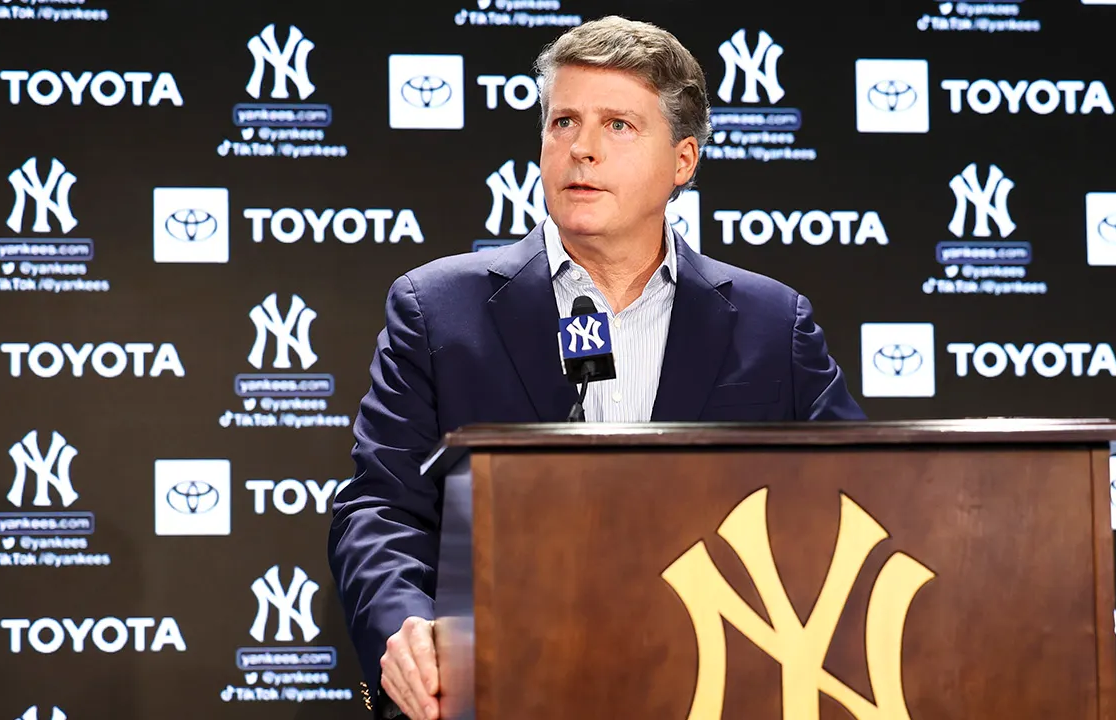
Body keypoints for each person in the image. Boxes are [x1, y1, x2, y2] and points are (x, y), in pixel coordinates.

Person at [328, 15, 866, 719]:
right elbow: (380, 507)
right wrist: (403, 626)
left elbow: (854, 508)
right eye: (563, 123)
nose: (581, 148)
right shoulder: (437, 310)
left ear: (683, 161)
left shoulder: (772, 325)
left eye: (618, 125)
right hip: (504, 691)